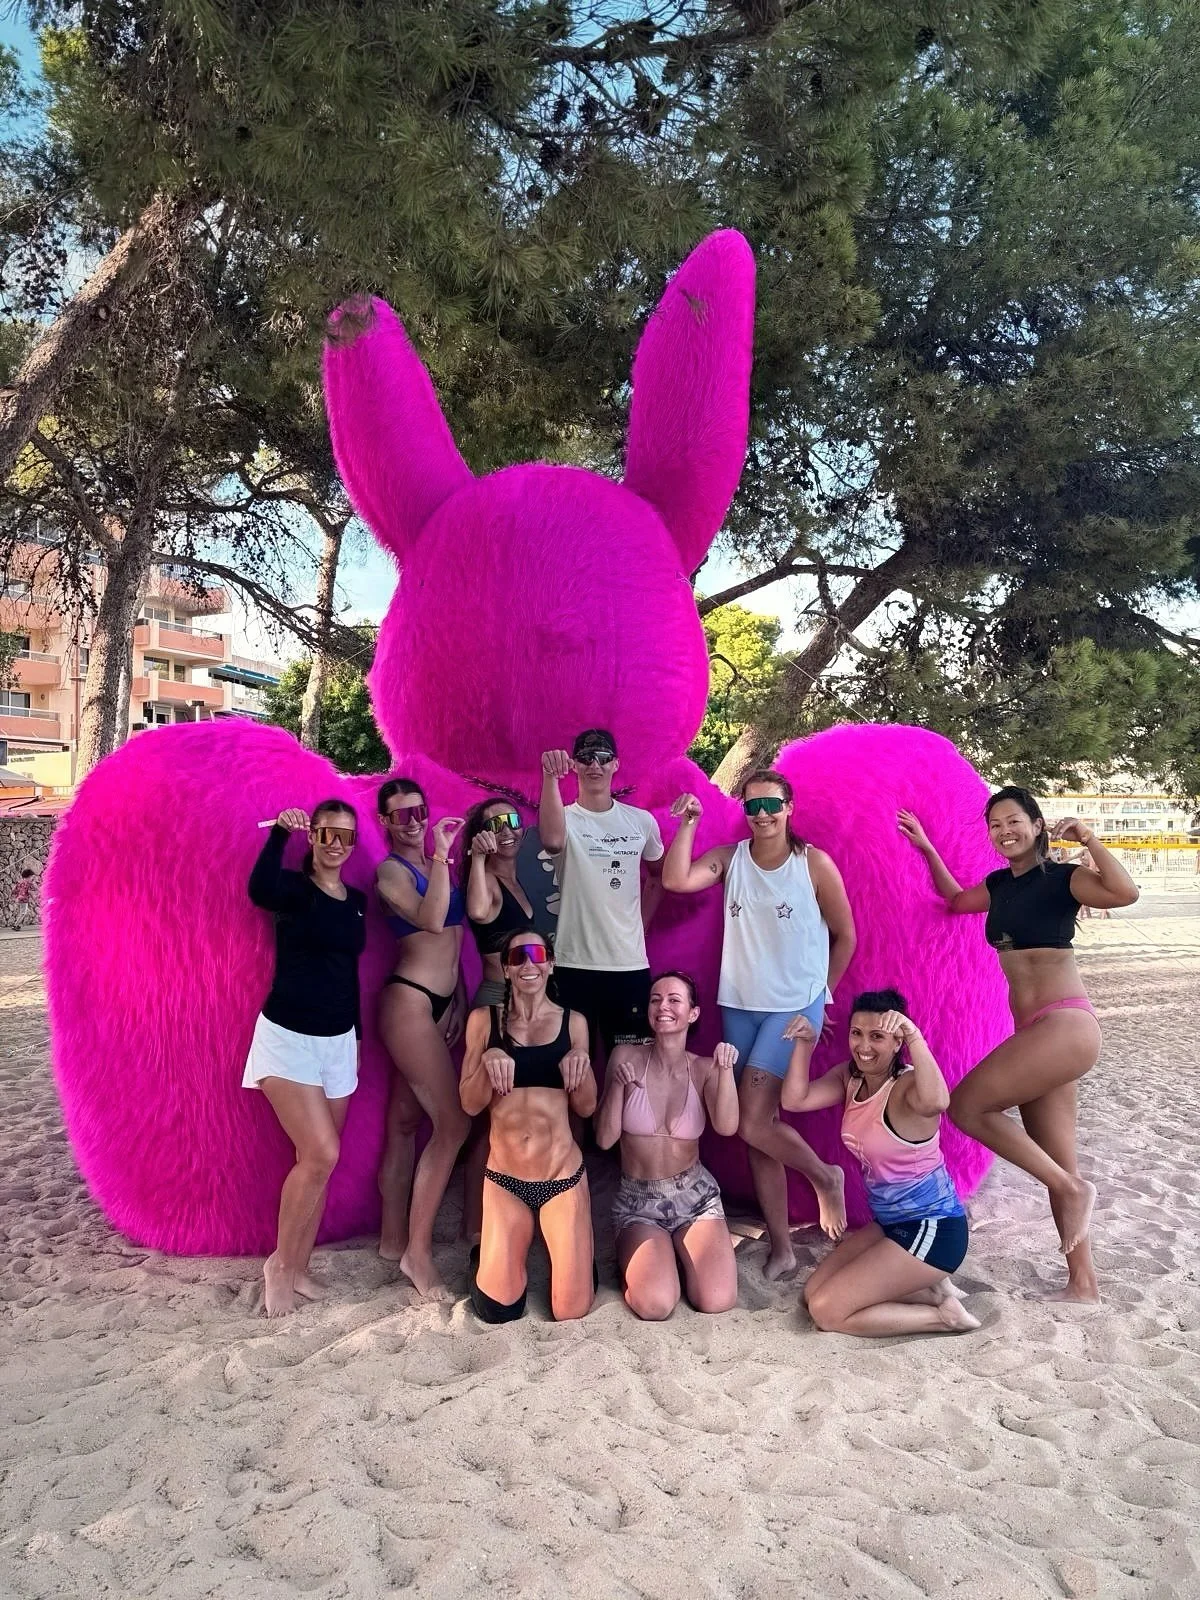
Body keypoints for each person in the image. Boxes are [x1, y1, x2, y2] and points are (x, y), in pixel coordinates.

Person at [898, 787, 1139, 1301]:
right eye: (995, 825)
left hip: (1067, 1025)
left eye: (1014, 821)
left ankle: (1073, 1191)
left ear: (1036, 824)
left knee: (965, 1106)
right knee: (1057, 1160)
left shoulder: (1063, 879)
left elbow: (1124, 893)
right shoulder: (1000, 886)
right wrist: (925, 846)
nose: (1004, 832)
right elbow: (957, 900)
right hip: (1037, 1035)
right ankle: (1084, 1283)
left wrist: (1090, 839)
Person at [663, 769, 856, 1279]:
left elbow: (846, 935)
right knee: (758, 1130)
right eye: (752, 807)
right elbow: (676, 880)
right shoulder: (731, 860)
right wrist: (687, 825)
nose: (763, 815)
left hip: (792, 1009)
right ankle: (781, 1247)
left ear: (790, 806)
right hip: (739, 1006)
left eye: (772, 805)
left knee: (751, 1120)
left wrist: (821, 1001)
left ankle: (825, 1176)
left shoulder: (814, 865)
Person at [782, 991, 979, 1336]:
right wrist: (804, 1043)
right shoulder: (850, 1077)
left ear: (897, 1040)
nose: (864, 1046)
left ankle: (945, 1317)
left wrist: (914, 1034)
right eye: (857, 1033)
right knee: (812, 1295)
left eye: (877, 1036)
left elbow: (938, 1101)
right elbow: (795, 1101)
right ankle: (932, 1291)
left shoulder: (907, 1087)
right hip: (889, 1224)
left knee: (827, 1313)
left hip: (932, 1228)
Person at [244, 801, 367, 1317]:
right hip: (288, 1036)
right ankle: (278, 1265)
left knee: (319, 1164)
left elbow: (347, 971)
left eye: (346, 835)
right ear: (313, 836)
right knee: (321, 1155)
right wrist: (278, 835)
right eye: (326, 833)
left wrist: (355, 1035)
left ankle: (298, 1266)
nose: (336, 843)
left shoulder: (357, 900)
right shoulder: (293, 889)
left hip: (338, 1041)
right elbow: (258, 890)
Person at [458, 929, 597, 1322]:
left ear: (551, 964)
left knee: (570, 1310)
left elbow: (586, 1108)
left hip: (561, 1176)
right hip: (506, 1179)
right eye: (518, 957)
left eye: (537, 954)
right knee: (497, 1310)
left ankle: (579, 1256)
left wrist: (581, 1067)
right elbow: (469, 1104)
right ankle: (483, 1256)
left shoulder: (574, 1023)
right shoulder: (483, 1021)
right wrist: (488, 1062)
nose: (529, 964)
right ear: (505, 969)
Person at [596, 971, 741, 1319]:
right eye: (656, 999)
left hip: (695, 1198)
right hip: (638, 1201)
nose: (663, 1006)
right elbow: (603, 1139)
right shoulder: (624, 1057)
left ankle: (672, 1254)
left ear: (693, 1013)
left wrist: (726, 1072)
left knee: (716, 1300)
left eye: (674, 999)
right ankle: (651, 1259)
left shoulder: (705, 1068)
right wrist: (617, 1088)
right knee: (656, 1305)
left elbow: (727, 1126)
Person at [375, 777, 471, 1299]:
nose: (414, 821)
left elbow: (454, 945)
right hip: (409, 1002)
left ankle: (392, 1241)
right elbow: (432, 921)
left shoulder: (438, 866)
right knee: (453, 1124)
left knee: (406, 1121)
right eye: (403, 815)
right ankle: (417, 1252)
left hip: (438, 1004)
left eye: (420, 811)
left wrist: (456, 997)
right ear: (387, 823)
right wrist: (438, 853)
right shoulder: (391, 870)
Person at [538, 729, 664, 1056]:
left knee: (628, 1069)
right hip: (572, 963)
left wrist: (643, 922)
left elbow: (658, 876)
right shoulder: (562, 817)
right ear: (575, 765)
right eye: (586, 757)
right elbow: (551, 841)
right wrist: (550, 778)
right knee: (571, 1067)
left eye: (604, 757)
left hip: (628, 964)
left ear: (616, 764)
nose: (595, 764)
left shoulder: (642, 822)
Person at [461, 798, 538, 1007]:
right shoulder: (487, 879)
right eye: (495, 825)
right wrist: (478, 857)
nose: (506, 831)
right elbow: (477, 912)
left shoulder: (514, 881)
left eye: (512, 821)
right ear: (481, 835)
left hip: (526, 999)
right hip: (499, 999)